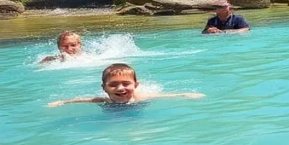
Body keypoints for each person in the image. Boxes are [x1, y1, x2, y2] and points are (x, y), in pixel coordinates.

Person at [47, 63, 205, 107]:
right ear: (104, 88)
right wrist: (62, 102)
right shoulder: (104, 100)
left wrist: (186, 94)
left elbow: (163, 96)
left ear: (135, 85)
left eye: (126, 84)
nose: (120, 88)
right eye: (113, 85)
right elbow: (84, 100)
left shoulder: (141, 97)